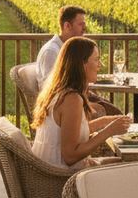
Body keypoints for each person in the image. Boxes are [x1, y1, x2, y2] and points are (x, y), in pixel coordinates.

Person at [31, 37, 131, 171]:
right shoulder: (71, 99)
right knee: (133, 166)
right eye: (96, 59)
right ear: (82, 64)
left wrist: (104, 121)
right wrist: (109, 131)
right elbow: (70, 156)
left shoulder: (58, 92)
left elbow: (71, 133)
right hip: (63, 178)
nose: (99, 64)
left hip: (51, 172)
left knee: (128, 163)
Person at [35, 5, 87, 88]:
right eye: (81, 24)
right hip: (59, 99)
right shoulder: (51, 51)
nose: (84, 28)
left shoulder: (69, 48)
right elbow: (49, 87)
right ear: (67, 26)